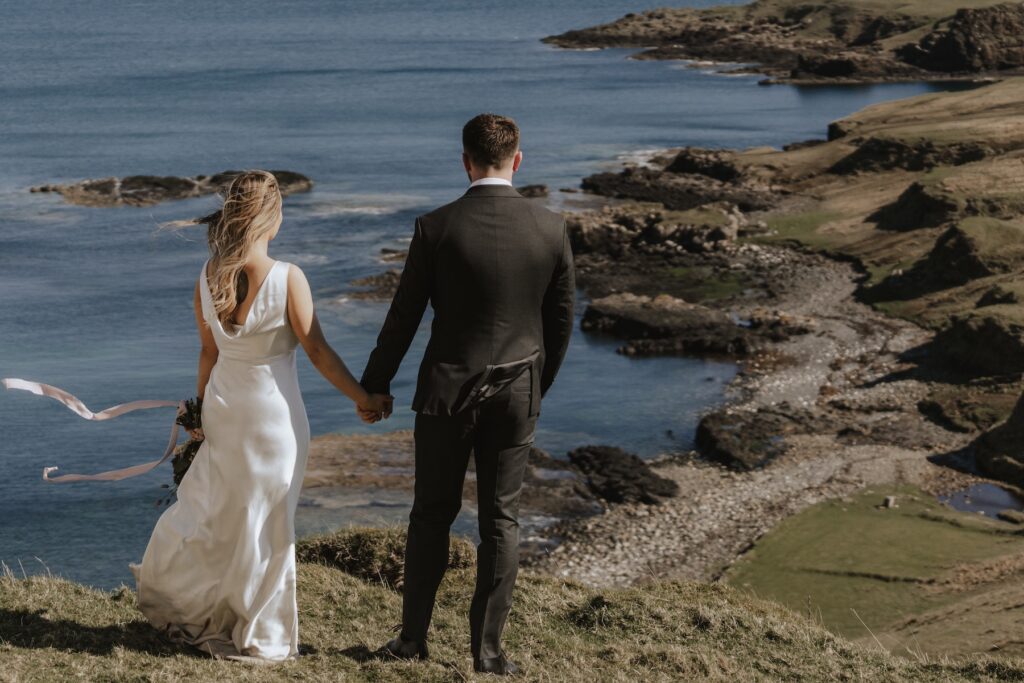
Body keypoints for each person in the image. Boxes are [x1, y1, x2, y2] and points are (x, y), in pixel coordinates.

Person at [131, 170, 392, 662]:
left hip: (227, 412)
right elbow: (317, 351)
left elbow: (207, 353)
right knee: (268, 524)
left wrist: (200, 412)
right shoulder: (288, 277)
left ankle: (208, 607)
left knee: (222, 516)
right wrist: (365, 397)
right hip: (274, 422)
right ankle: (260, 633)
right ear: (271, 218)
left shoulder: (208, 277)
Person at [360, 113, 575, 675]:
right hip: (518, 390)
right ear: (518, 160)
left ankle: (412, 641)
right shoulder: (551, 227)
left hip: (445, 393)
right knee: (501, 521)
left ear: (465, 160)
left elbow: (403, 318)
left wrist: (375, 385)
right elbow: (560, 325)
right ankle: (488, 653)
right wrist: (534, 389)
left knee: (431, 514)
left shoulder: (436, 227)